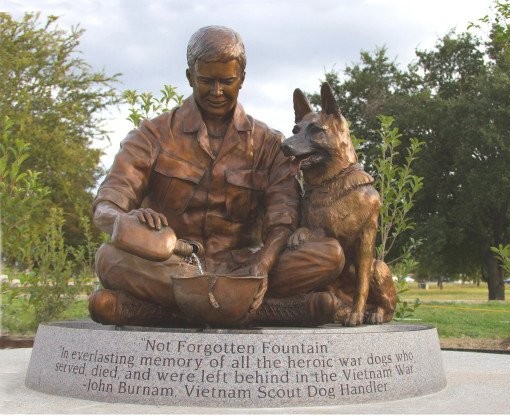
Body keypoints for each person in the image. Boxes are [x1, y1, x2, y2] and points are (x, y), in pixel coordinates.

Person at [88, 26, 344, 327]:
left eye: (227, 81)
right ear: (189, 77)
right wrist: (125, 222)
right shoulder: (152, 135)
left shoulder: (269, 143)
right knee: (109, 258)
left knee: (329, 254)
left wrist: (262, 264)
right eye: (207, 81)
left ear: (243, 78)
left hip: (244, 268)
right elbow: (106, 204)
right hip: (172, 266)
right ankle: (257, 309)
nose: (217, 91)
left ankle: (175, 309)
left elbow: (283, 219)